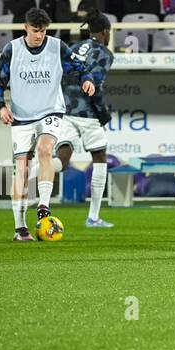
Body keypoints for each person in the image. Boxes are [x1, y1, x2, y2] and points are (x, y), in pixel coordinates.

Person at [0, 8, 96, 241]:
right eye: (35, 30)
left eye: (43, 30)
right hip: (21, 117)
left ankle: (43, 206)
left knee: (45, 149)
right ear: (25, 28)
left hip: (51, 111)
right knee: (22, 169)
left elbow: (79, 68)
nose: (39, 35)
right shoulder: (12, 50)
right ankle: (20, 228)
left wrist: (87, 80)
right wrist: (1, 106)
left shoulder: (57, 47)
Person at [52, 15, 116, 228]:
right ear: (105, 31)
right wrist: (103, 114)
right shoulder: (104, 53)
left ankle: (31, 171)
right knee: (99, 156)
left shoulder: (74, 46)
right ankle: (93, 217)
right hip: (86, 112)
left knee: (61, 159)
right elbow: (93, 85)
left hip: (65, 108)